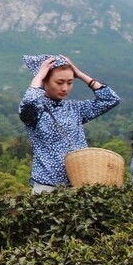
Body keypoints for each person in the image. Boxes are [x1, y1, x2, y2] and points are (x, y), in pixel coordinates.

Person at [18, 54, 120, 193]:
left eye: (70, 82)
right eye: (59, 83)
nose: (65, 88)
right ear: (45, 81)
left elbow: (110, 99)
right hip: (47, 186)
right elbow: (29, 102)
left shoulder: (75, 108)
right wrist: (39, 77)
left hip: (79, 183)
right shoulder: (36, 111)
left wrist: (79, 74)